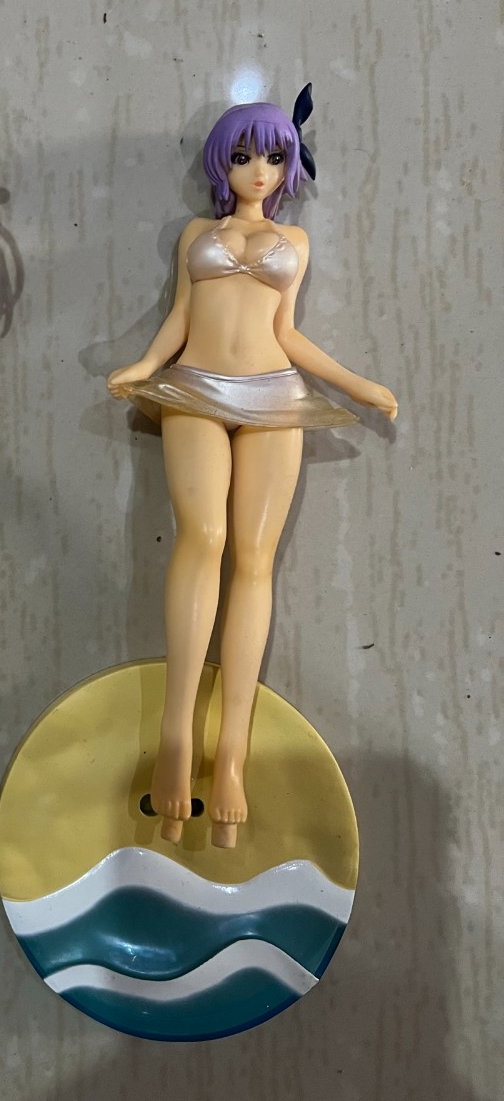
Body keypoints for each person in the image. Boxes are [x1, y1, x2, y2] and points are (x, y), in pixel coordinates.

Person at [107, 89, 397, 847]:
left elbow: (288, 334)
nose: (258, 170)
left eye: (273, 155)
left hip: (275, 393)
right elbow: (179, 315)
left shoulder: (293, 243)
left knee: (256, 559)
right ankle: (176, 742)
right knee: (201, 538)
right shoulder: (196, 234)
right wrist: (143, 364)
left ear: (290, 163)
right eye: (242, 156)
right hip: (195, 389)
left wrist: (357, 385)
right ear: (221, 163)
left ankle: (231, 759)